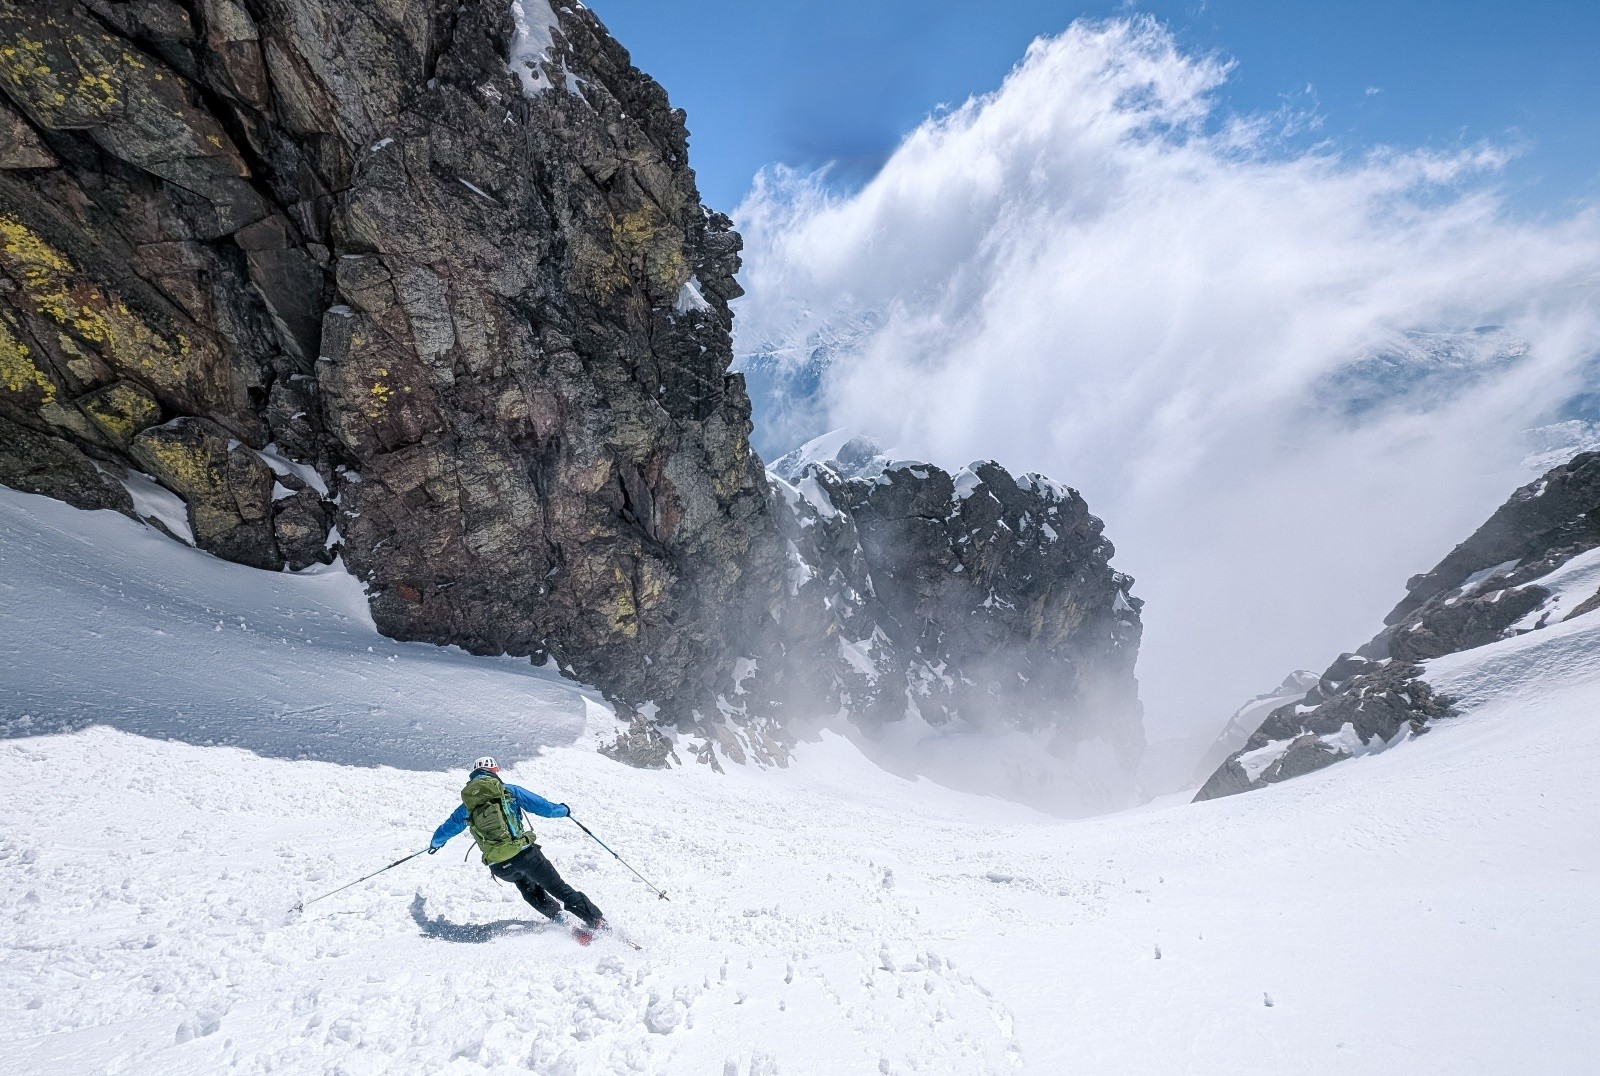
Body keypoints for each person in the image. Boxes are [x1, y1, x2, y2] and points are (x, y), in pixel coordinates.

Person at [430, 755, 605, 931]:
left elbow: (446, 829)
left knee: (530, 890)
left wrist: (435, 844)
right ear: (494, 771)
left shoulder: (467, 806)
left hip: (499, 866)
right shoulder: (509, 791)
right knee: (559, 888)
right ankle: (598, 923)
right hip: (525, 856)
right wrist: (564, 810)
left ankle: (562, 921)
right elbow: (545, 808)